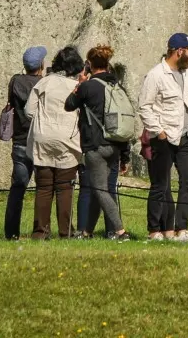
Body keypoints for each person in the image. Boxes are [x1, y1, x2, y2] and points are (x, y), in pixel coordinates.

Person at [140, 33, 188, 241]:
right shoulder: (156, 75)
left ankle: (181, 229)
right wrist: (158, 131)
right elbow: (145, 107)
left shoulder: (186, 74)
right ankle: (154, 230)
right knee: (160, 184)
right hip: (165, 137)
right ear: (179, 51)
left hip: (187, 135)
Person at [66, 45, 130, 239]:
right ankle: (87, 232)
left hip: (95, 145)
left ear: (90, 64)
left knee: (100, 190)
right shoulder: (117, 87)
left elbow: (69, 105)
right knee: (98, 188)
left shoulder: (88, 86)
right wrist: (125, 155)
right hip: (115, 145)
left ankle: (120, 231)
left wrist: (80, 84)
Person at [25, 46, 84, 239]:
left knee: (43, 188)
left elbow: (28, 110)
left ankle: (40, 232)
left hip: (43, 136)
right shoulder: (75, 87)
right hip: (68, 138)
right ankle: (65, 231)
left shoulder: (44, 83)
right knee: (64, 187)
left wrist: (43, 121)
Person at [1, 45, 46, 240]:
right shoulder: (45, 84)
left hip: (19, 139)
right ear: (41, 65)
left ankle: (11, 232)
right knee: (44, 188)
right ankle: (41, 231)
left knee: (17, 188)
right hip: (40, 139)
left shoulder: (15, 81)